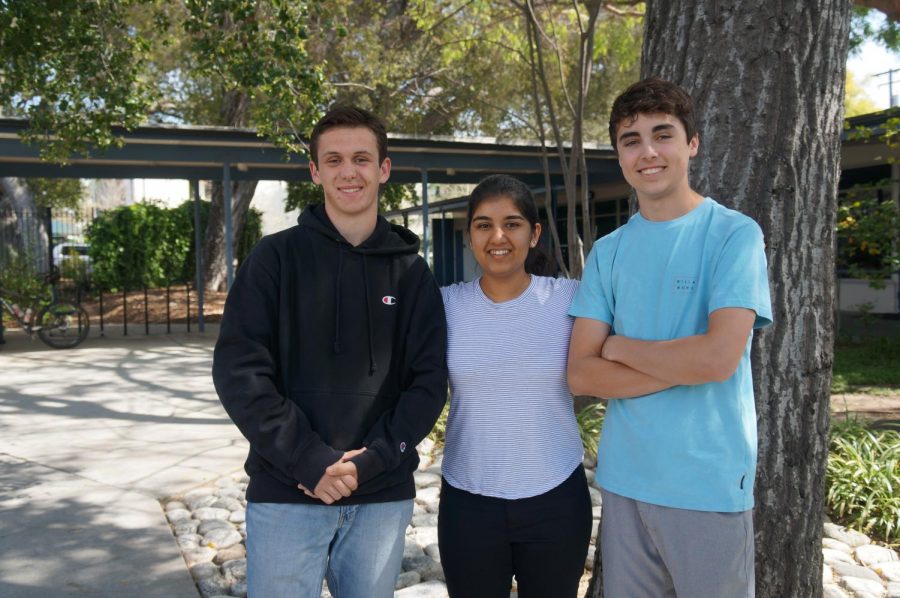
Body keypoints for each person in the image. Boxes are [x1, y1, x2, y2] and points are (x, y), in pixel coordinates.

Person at [212, 105, 448, 598]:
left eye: (361, 158)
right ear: (315, 171)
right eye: (334, 159)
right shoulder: (274, 260)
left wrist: (374, 461)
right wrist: (307, 459)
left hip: (381, 497)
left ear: (383, 169)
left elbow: (427, 385)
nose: (349, 172)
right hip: (286, 493)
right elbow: (241, 372)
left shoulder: (412, 275)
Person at [567, 77, 773, 597]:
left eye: (663, 134)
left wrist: (619, 347)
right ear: (618, 155)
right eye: (631, 140)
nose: (648, 152)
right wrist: (679, 364)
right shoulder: (609, 251)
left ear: (692, 143)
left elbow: (717, 359)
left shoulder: (734, 235)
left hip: (708, 481)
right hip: (626, 482)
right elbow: (580, 373)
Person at [438, 174, 592, 598]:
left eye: (512, 223)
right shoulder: (445, 305)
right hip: (468, 501)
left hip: (556, 498)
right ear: (469, 234)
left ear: (535, 233)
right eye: (483, 224)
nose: (498, 236)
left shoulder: (571, 299)